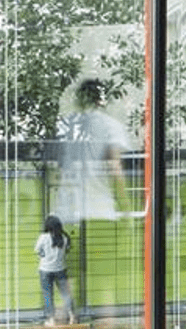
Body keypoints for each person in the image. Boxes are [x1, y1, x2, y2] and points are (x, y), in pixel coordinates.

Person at [55, 78, 132, 223]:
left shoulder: (66, 125)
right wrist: (126, 209)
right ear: (101, 101)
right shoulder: (110, 126)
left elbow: (59, 168)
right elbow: (114, 167)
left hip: (68, 212)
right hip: (99, 211)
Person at [35, 215, 76, 327]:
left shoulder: (43, 237)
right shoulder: (65, 238)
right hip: (60, 269)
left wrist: (44, 256)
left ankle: (51, 320)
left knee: (48, 294)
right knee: (66, 293)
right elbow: (66, 251)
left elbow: (37, 250)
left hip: (45, 269)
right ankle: (72, 316)